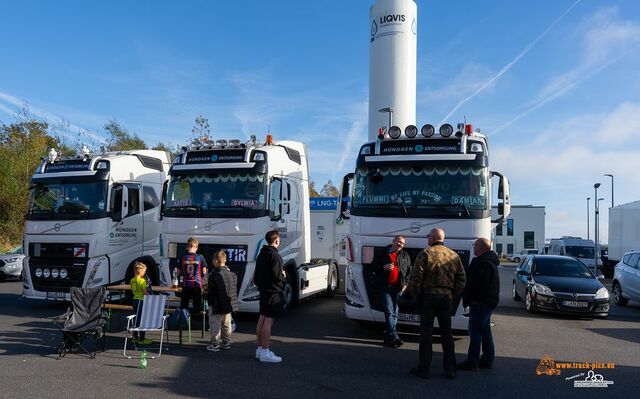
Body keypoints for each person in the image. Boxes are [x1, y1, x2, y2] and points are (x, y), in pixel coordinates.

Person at [407, 228, 466, 380]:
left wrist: (415, 295)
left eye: (428, 236)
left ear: (433, 238)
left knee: (426, 333)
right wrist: (452, 294)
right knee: (447, 334)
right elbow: (462, 280)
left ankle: (424, 369)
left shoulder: (425, 254)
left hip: (429, 297)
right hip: (446, 298)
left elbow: (416, 278)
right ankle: (450, 369)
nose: (428, 238)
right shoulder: (454, 255)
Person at [457, 237, 500, 371]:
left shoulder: (484, 263)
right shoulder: (487, 261)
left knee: (475, 332)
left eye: (475, 245)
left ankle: (472, 361)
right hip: (487, 302)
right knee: (485, 331)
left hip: (481, 303)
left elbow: (479, 285)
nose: (474, 247)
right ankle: (487, 359)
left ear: (481, 247)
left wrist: (473, 299)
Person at [254, 230, 286, 363]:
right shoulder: (275, 256)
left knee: (262, 318)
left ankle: (260, 349)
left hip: (263, 291)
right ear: (277, 240)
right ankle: (266, 352)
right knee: (268, 320)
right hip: (273, 292)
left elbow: (257, 275)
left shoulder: (261, 254)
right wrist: (283, 275)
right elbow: (277, 276)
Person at [373, 235, 411, 348]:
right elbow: (373, 266)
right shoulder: (383, 253)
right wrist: (383, 266)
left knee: (395, 312)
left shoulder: (405, 255)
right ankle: (394, 337)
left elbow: (409, 271)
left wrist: (405, 285)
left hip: (398, 288)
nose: (400, 244)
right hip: (385, 287)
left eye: (403, 243)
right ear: (393, 241)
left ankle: (390, 337)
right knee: (389, 311)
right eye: (399, 242)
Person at [206, 250, 239, 352]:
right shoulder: (232, 274)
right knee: (226, 324)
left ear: (216, 261)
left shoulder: (214, 275)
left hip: (216, 304)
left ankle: (215, 344)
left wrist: (208, 299)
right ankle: (226, 342)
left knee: (215, 324)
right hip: (228, 304)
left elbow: (211, 291)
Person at [178, 237, 208, 317]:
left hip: (186, 284)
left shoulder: (183, 257)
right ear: (196, 247)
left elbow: (178, 272)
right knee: (197, 304)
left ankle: (184, 319)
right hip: (197, 284)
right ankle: (194, 318)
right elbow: (204, 272)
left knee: (184, 304)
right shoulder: (200, 257)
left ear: (187, 246)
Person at [130, 262, 152, 345]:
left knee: (136, 318)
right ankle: (142, 339)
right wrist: (151, 296)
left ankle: (135, 337)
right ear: (141, 271)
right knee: (142, 319)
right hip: (141, 300)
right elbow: (144, 292)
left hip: (135, 299)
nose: (145, 273)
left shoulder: (132, 280)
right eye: (144, 271)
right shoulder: (142, 281)